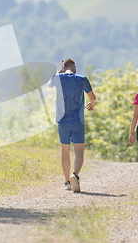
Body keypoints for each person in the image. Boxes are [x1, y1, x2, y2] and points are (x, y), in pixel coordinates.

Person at [48, 58, 96, 192]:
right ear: (74, 66)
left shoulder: (58, 78)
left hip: (63, 121)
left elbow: (49, 84)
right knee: (79, 152)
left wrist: (59, 71)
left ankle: (67, 182)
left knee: (65, 151)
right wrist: (92, 104)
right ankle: (75, 174)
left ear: (63, 67)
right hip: (78, 121)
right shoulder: (82, 79)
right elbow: (93, 97)